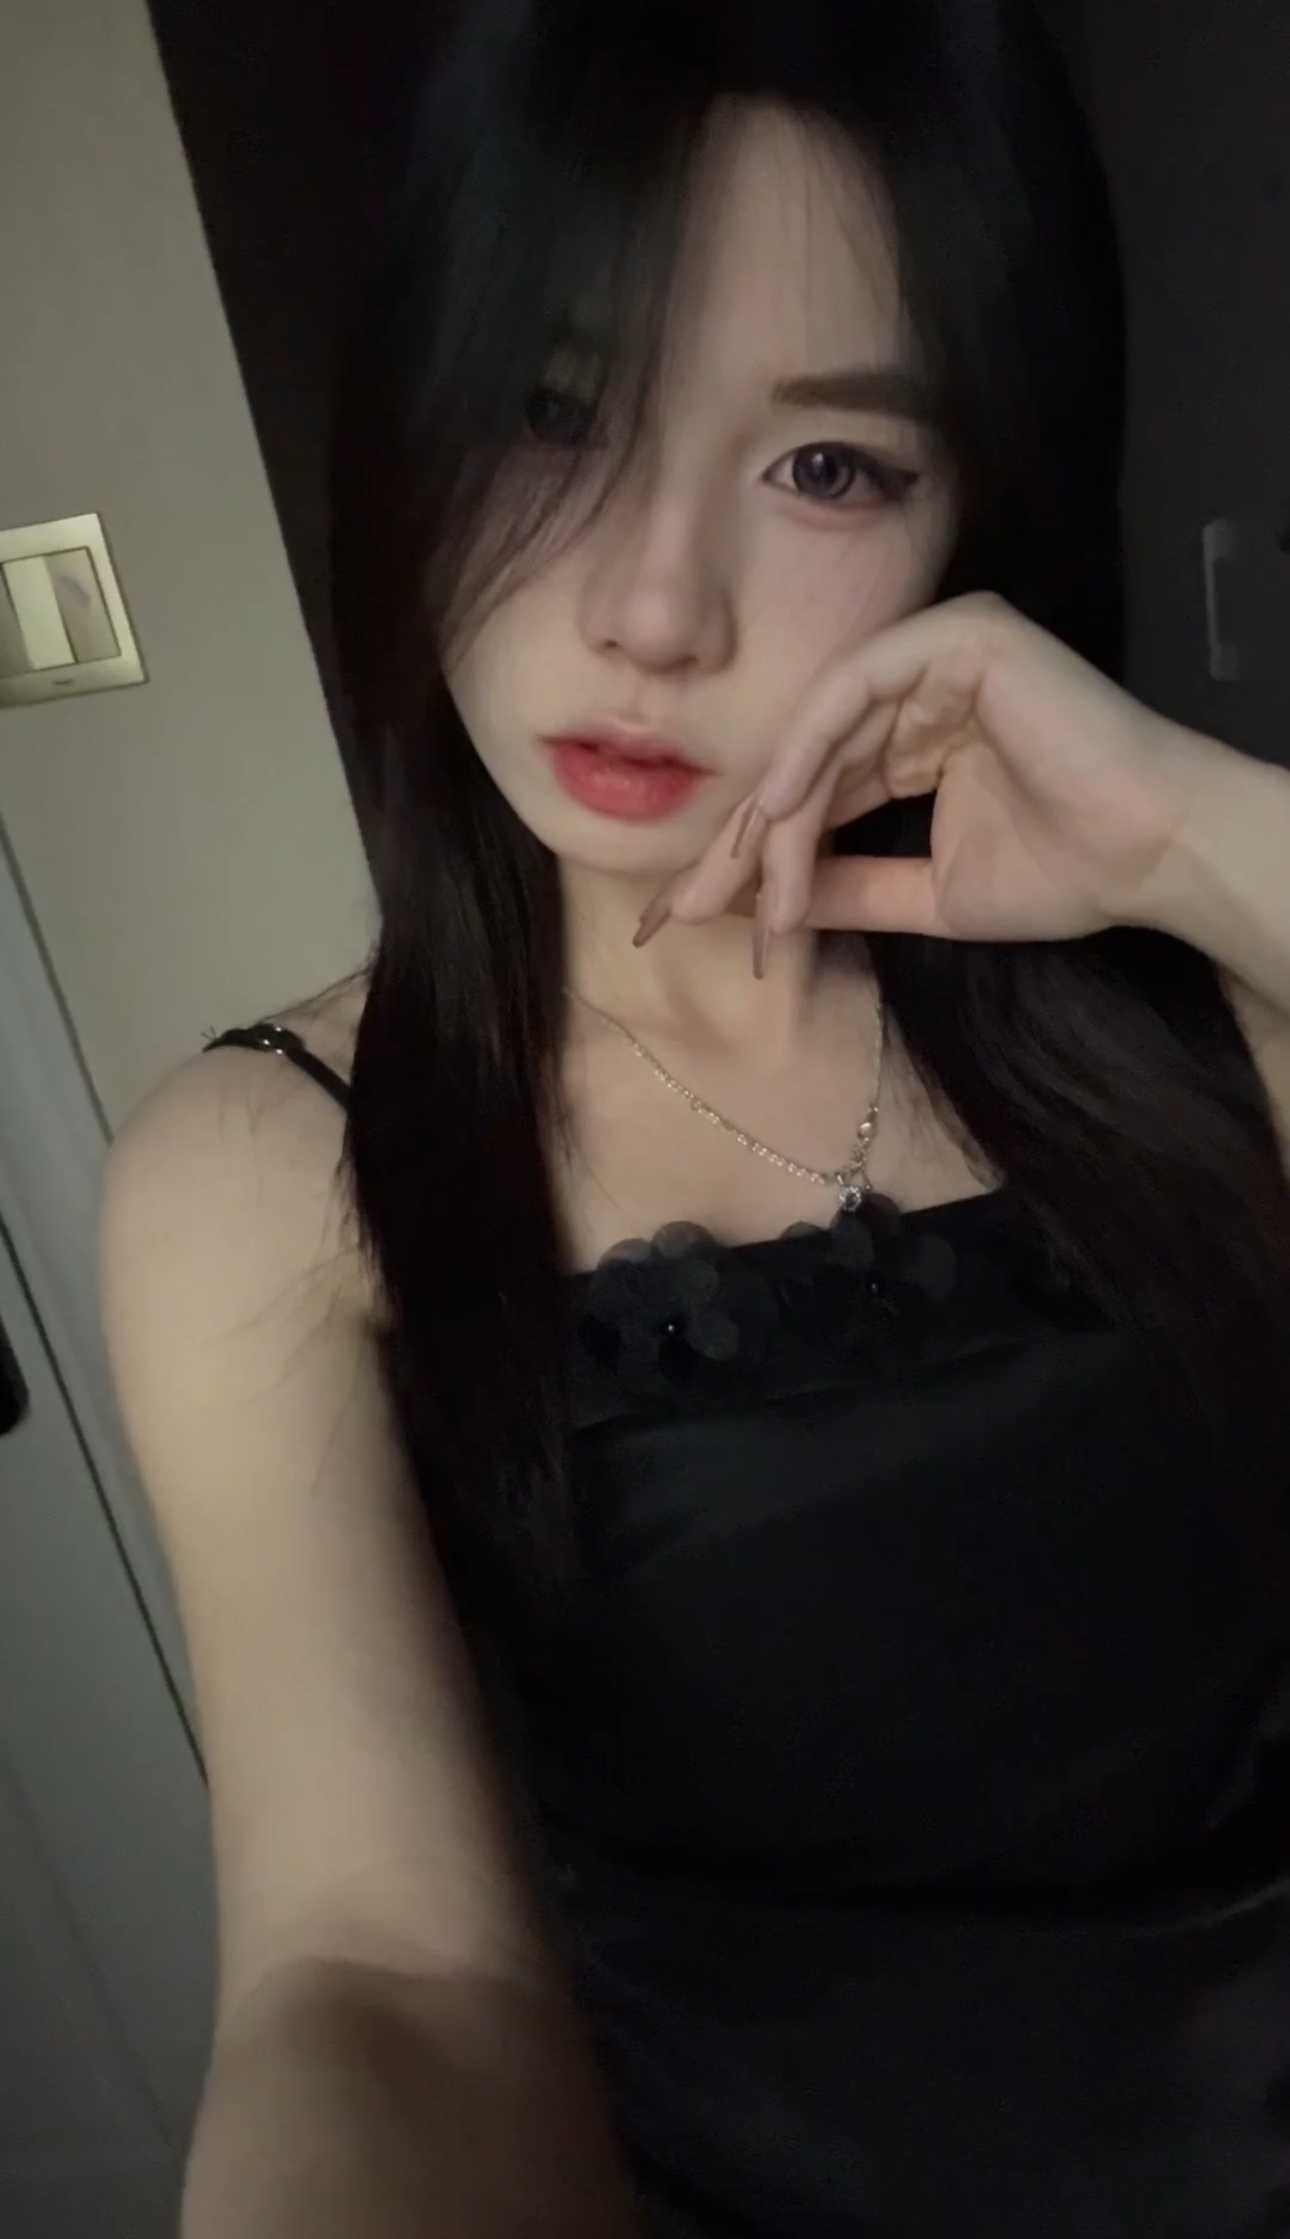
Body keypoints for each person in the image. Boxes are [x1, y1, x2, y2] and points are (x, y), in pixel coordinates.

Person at [98, 1, 1290, 2233]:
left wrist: (1194, 837)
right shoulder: (268, 1174)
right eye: (555, 412)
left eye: (827, 467)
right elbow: (380, 1979)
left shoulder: (1210, 1015)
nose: (653, 610)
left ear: (984, 512)